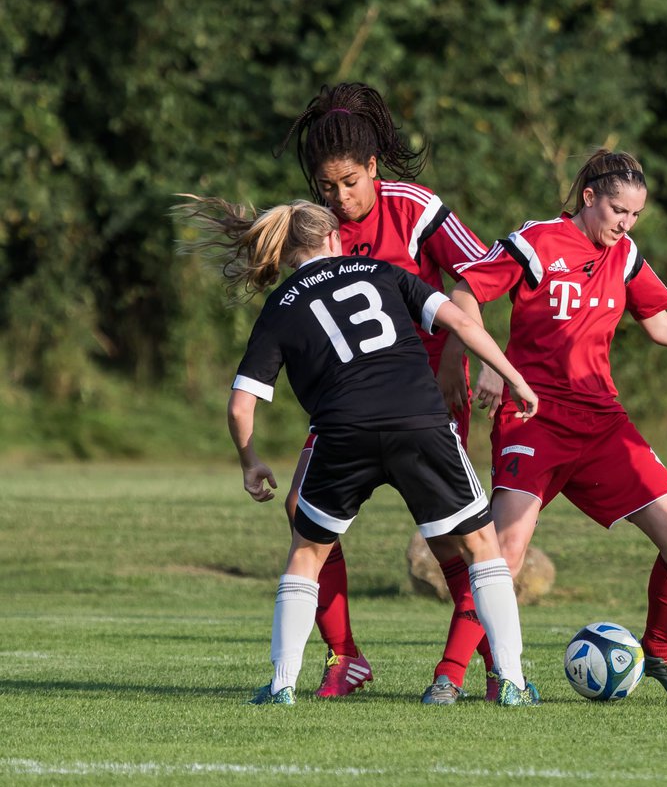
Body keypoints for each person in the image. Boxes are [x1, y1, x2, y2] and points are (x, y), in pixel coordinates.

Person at [445, 148, 667, 701]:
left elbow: (662, 325)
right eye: (617, 210)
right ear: (589, 198)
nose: (625, 224)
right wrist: (490, 364)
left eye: (634, 216)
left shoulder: (624, 255)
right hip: (533, 417)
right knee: (503, 555)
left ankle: (660, 654)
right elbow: (464, 294)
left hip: (602, 424)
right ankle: (464, 676)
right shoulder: (536, 241)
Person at [178, 195, 540, 706]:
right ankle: (512, 683)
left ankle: (282, 686)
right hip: (419, 420)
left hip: (342, 431)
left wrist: (250, 460)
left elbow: (241, 406)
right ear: (334, 239)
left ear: (285, 253)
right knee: (483, 549)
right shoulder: (380, 271)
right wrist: (513, 378)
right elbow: (461, 321)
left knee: (306, 554)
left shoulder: (281, 306)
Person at [277, 82, 502, 701]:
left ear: (372, 166)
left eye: (350, 182)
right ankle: (345, 655)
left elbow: (481, 272)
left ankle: (474, 664)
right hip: (349, 400)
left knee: (449, 534)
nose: (340, 198)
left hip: (423, 395)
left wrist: (464, 344)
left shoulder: (412, 207)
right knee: (300, 509)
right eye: (327, 186)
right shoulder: (319, 227)